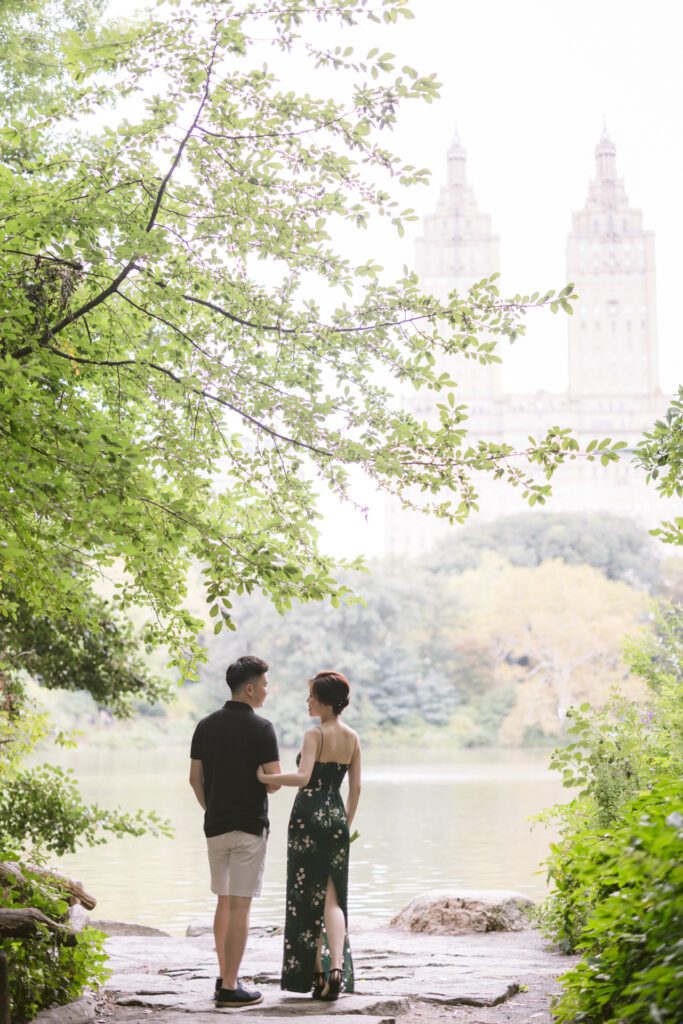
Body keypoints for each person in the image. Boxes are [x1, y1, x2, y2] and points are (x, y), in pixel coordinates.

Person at [257, 670, 361, 1002]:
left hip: (307, 818)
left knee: (307, 898)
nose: (308, 701)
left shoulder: (314, 733)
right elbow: (356, 787)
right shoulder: (353, 737)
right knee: (332, 897)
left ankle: (317, 972)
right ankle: (337, 970)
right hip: (336, 819)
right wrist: (344, 823)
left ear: (325, 701)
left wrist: (262, 776)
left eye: (312, 696)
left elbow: (303, 778)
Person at [189, 655, 281, 1009]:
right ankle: (230, 987)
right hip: (248, 827)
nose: (266, 691)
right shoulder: (262, 728)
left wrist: (212, 810)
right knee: (240, 905)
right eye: (264, 685)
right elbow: (272, 782)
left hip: (215, 827)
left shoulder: (205, 725)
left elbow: (194, 780)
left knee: (223, 901)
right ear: (249, 688)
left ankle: (224, 975)